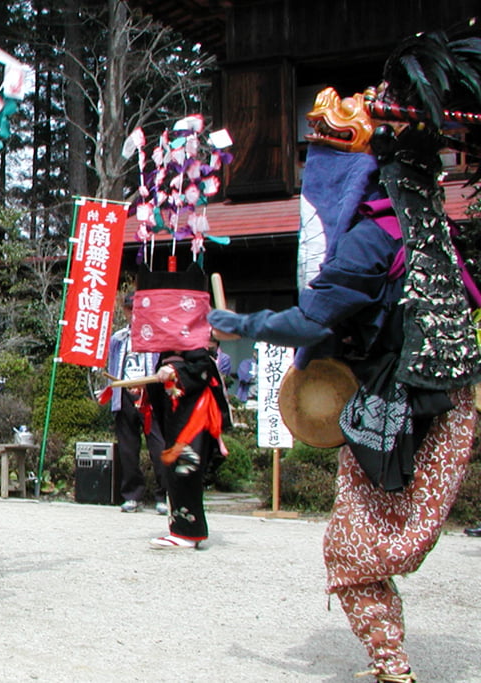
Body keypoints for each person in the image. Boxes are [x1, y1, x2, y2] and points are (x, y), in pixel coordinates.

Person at [209, 45, 481, 681]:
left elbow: (312, 318)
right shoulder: (431, 229)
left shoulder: (370, 236)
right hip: (454, 407)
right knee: (375, 546)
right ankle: (392, 660)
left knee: (354, 547)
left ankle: (392, 667)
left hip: (396, 418)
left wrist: (242, 324)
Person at [146, 337, 230, 549]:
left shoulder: (194, 345)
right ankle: (183, 530)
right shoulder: (171, 345)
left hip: (196, 415)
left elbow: (201, 370)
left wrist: (175, 370)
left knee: (185, 469)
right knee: (176, 470)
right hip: (178, 416)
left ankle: (188, 532)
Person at [105, 292, 168, 514]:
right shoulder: (119, 338)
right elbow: (112, 365)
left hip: (150, 393)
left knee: (159, 446)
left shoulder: (157, 336)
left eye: (137, 309)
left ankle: (164, 495)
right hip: (124, 392)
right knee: (128, 449)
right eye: (129, 309)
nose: (133, 313)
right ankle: (132, 495)